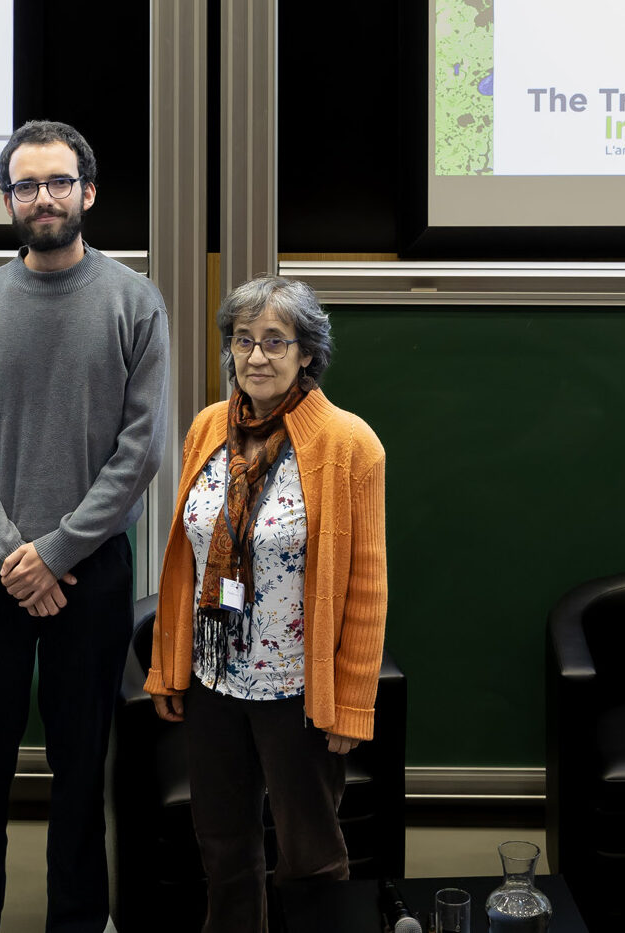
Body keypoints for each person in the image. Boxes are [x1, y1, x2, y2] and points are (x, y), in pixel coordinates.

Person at [0, 120, 170, 933]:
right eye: (27, 185)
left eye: (59, 182)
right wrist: (15, 557)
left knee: (80, 766)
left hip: (92, 570)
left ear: (89, 193)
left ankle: (76, 918)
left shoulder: (135, 302)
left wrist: (58, 552)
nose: (44, 197)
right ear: (8, 200)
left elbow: (140, 452)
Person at [144, 275, 387, 933]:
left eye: (274, 341)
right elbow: (184, 563)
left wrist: (352, 703)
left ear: (307, 351)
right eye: (242, 340)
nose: (255, 356)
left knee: (309, 857)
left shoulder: (349, 443)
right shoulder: (206, 429)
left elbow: (367, 584)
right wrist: (170, 669)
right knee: (223, 850)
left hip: (296, 693)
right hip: (214, 681)